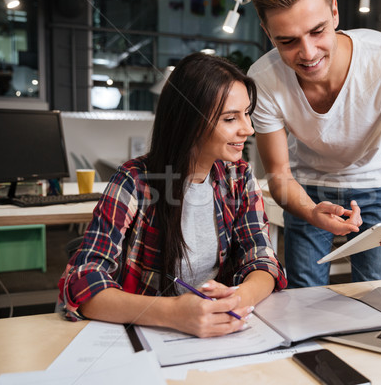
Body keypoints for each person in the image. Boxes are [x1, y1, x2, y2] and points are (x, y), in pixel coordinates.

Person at [58, 53, 287, 338]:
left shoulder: (238, 178)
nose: (248, 129)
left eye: (247, 113)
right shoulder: (134, 180)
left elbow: (262, 259)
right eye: (230, 118)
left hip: (221, 334)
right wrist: (174, 313)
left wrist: (240, 297)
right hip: (148, 335)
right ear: (189, 120)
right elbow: (81, 281)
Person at [248, 0, 381, 287]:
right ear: (267, 33)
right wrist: (311, 211)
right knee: (304, 299)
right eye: (287, 41)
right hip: (306, 188)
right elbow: (279, 174)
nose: (308, 53)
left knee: (378, 297)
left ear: (335, 12)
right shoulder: (262, 79)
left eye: (317, 31)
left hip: (379, 183)